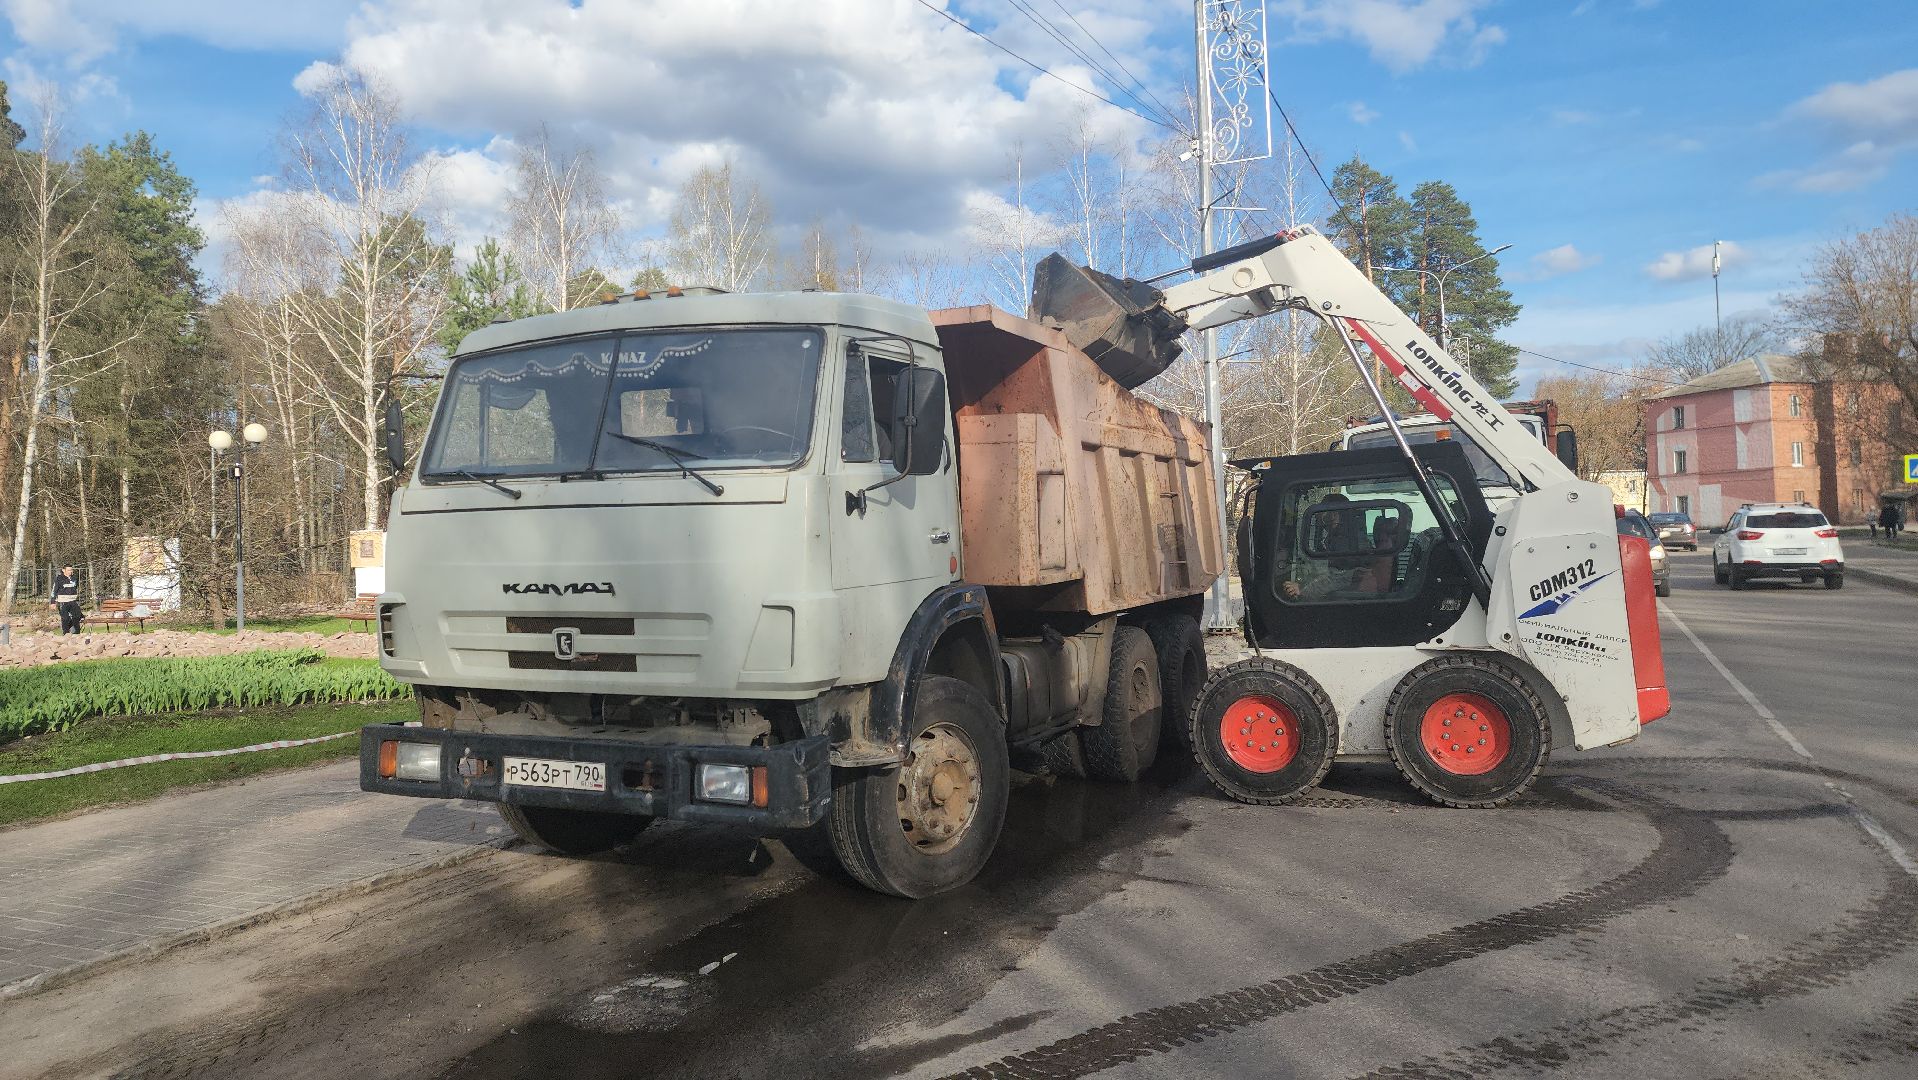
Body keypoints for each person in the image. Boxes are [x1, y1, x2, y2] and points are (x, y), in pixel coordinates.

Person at [49, 564, 82, 635]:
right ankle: (66, 634)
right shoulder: (59, 579)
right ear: (63, 570)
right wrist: (53, 602)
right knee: (65, 618)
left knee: (77, 617)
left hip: (73, 601)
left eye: (71, 570)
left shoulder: (74, 578)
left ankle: (76, 634)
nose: (71, 571)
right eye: (69, 570)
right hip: (63, 602)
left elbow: (76, 588)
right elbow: (54, 590)